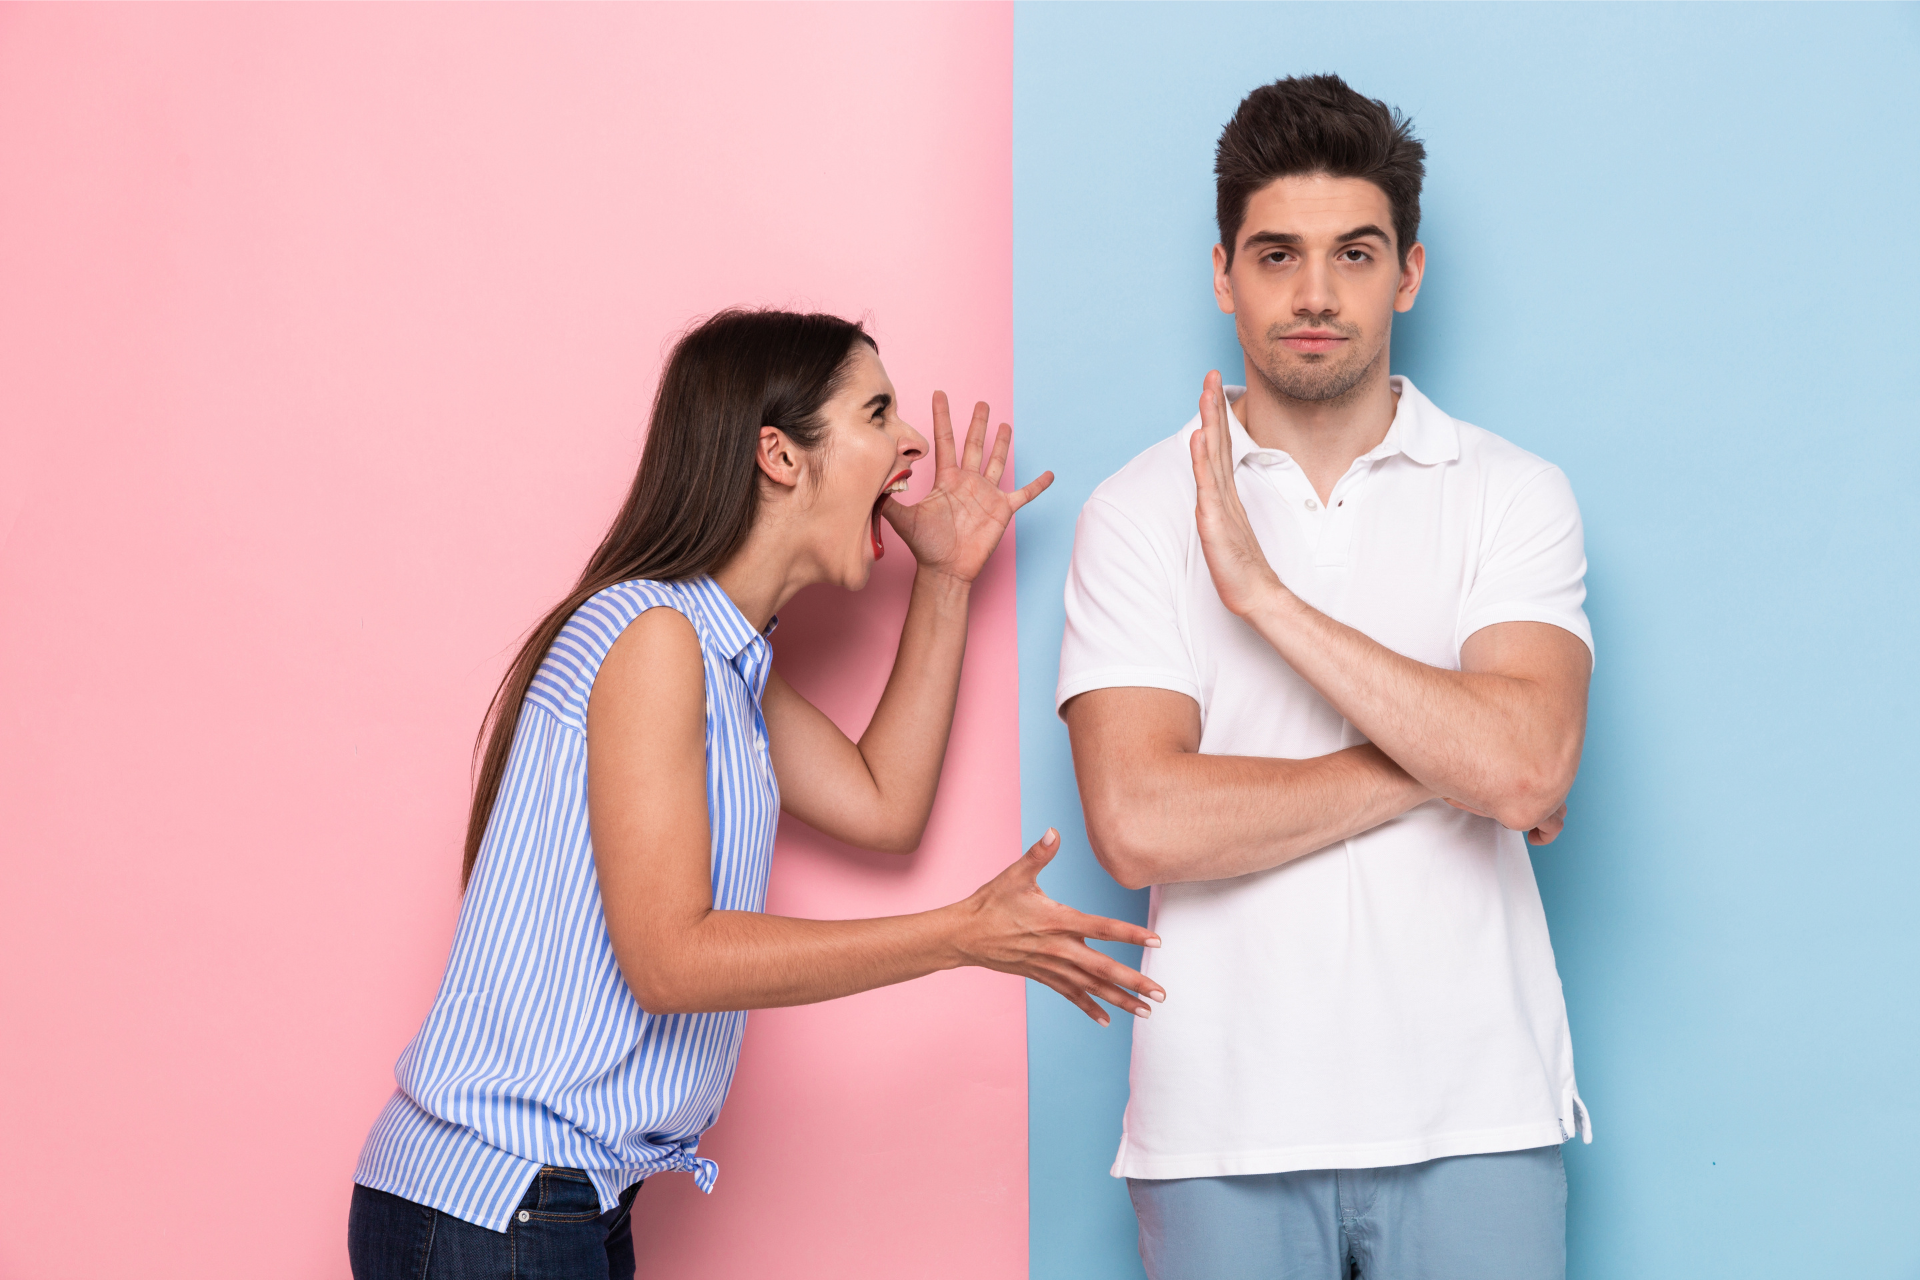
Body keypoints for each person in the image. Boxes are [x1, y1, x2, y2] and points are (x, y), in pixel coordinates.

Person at [349, 308, 1165, 1280]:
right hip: (499, 1199)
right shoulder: (653, 636)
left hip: (559, 1198)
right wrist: (958, 932)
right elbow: (672, 958)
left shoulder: (722, 656)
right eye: (876, 411)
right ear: (779, 455)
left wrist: (944, 578)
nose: (910, 444)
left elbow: (881, 801)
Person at [1058, 75, 1594, 1280]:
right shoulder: (1140, 511)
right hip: (1216, 1126)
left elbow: (1526, 762)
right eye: (1276, 254)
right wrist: (1444, 763)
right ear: (1222, 273)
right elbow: (1140, 821)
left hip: (1480, 1113)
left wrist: (1267, 600)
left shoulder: (1511, 490)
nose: (1313, 293)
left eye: (1353, 253)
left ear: (1407, 271)